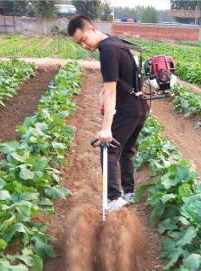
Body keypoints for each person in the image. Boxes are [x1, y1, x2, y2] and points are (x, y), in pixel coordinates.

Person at [67, 15, 149, 211]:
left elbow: (112, 92)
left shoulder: (107, 51)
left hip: (127, 109)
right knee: (127, 151)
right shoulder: (118, 43)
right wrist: (104, 92)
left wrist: (106, 130)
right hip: (140, 107)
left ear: (92, 29)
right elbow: (121, 79)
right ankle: (128, 193)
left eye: (84, 40)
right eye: (80, 44)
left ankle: (114, 200)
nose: (84, 46)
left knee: (109, 149)